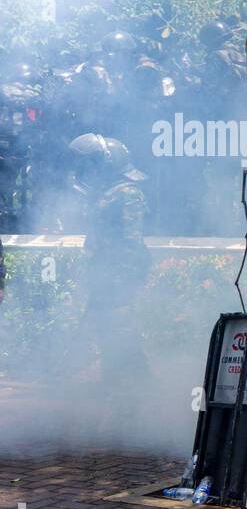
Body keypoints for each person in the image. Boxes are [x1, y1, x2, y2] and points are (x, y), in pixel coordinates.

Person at [70, 133, 151, 382]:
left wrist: (118, 278)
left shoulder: (127, 193)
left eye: (94, 163)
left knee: (119, 325)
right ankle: (116, 379)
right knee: (107, 325)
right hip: (107, 271)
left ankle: (135, 382)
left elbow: (130, 241)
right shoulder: (110, 192)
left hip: (119, 273)